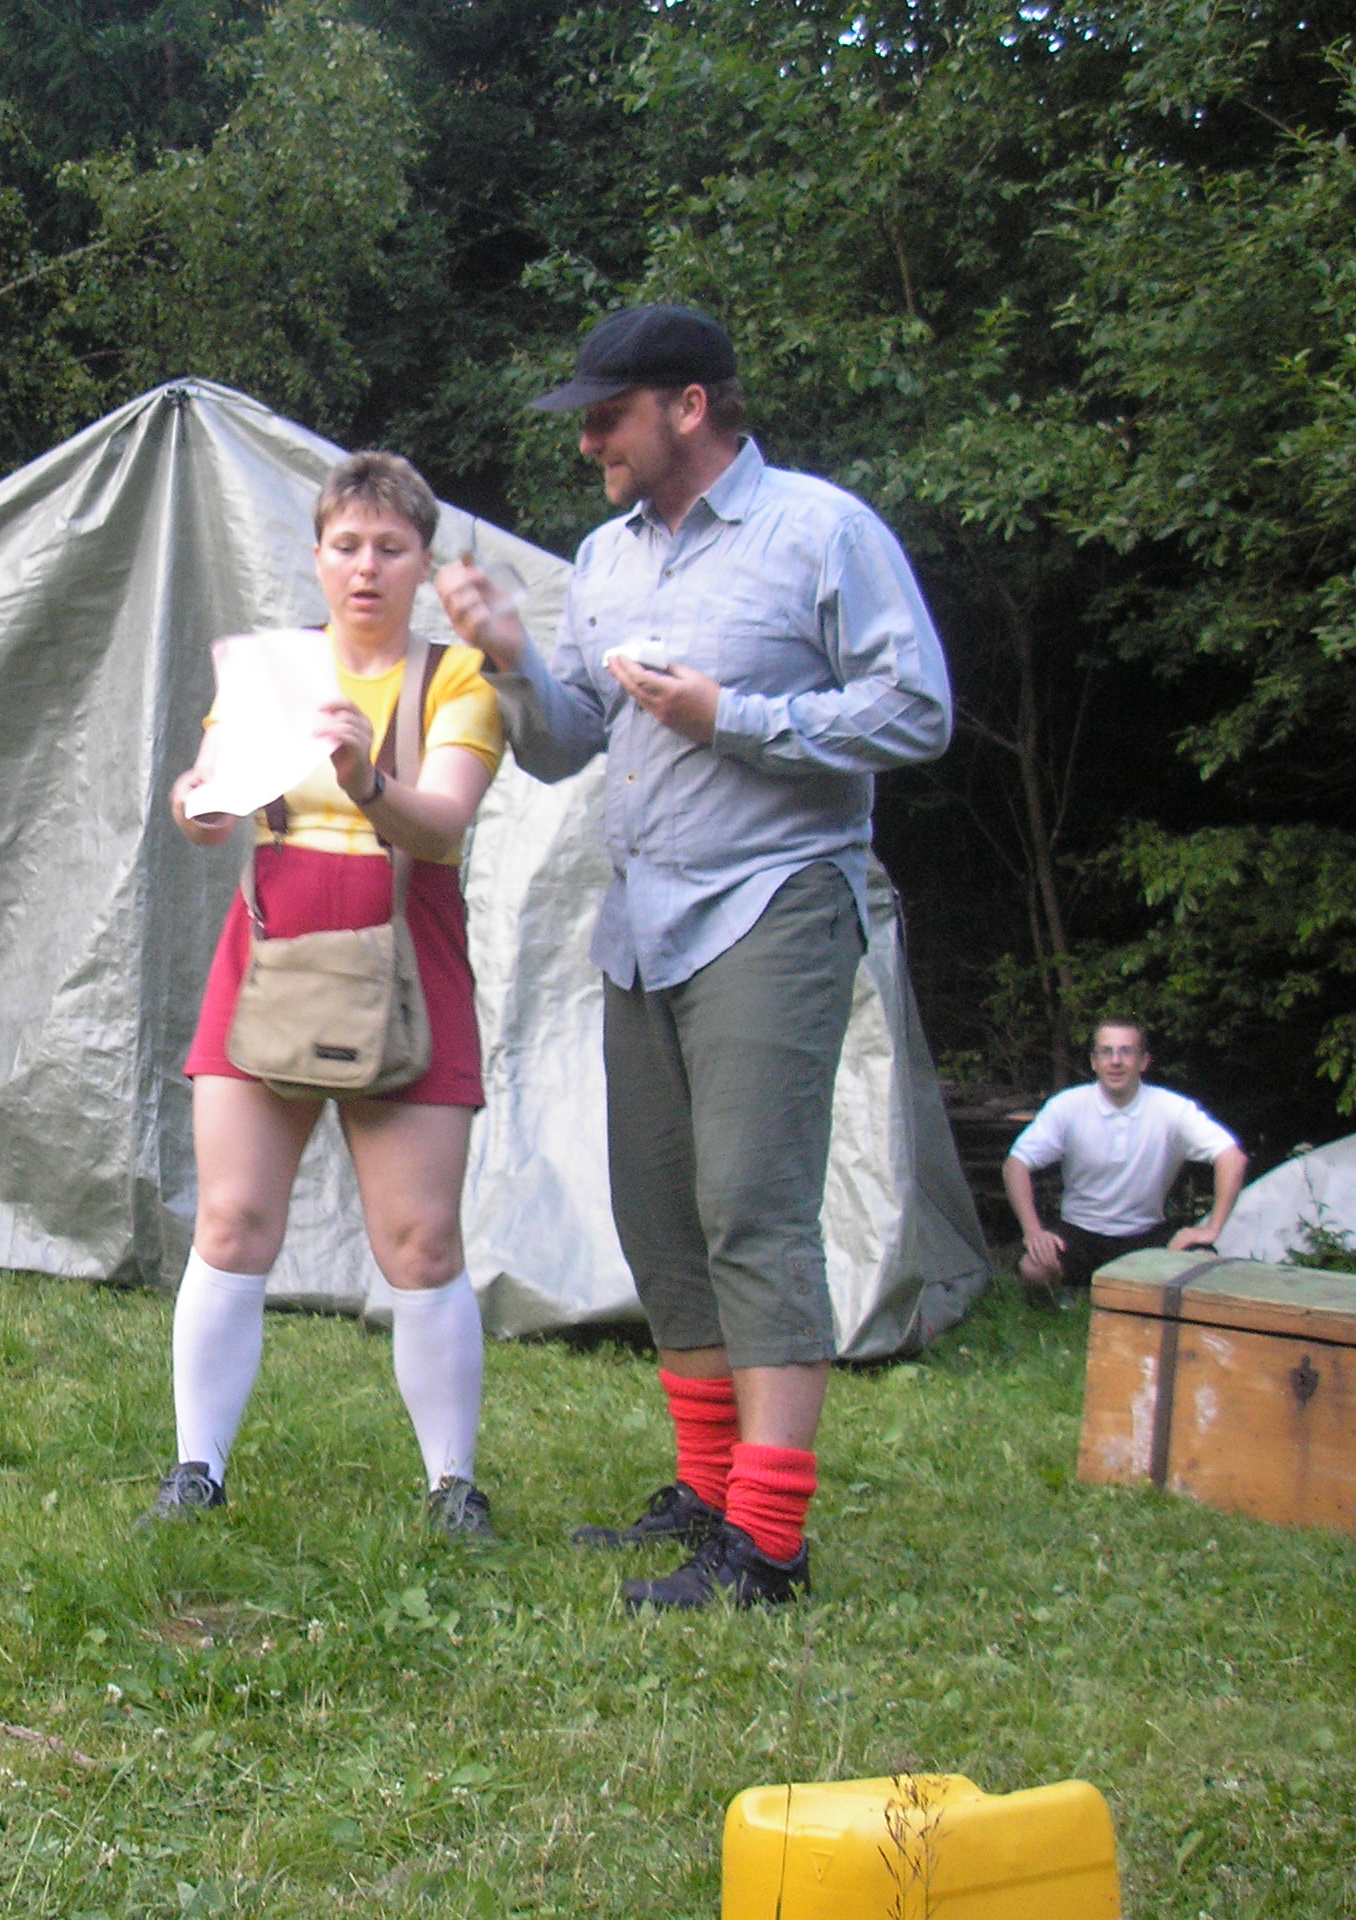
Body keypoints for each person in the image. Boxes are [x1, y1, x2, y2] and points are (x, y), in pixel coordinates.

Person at [434, 306, 952, 1608]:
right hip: (643, 919)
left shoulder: (821, 532)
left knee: (752, 1212)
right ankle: (709, 1493)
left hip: (774, 901)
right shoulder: (604, 558)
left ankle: (767, 1544)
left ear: (688, 406)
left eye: (607, 416)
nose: (588, 442)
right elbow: (567, 744)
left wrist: (735, 718)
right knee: (660, 1214)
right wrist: (507, 652)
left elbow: (916, 709)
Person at [148, 451, 506, 1537]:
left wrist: (365, 778)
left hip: (408, 953)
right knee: (231, 1219)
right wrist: (193, 802)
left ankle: (452, 1486)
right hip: (273, 945)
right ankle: (196, 1472)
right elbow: (207, 799)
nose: (365, 568)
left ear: (421, 563)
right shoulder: (271, 670)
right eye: (346, 546)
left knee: (420, 1241)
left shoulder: (458, 678)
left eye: (390, 548)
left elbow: (442, 823)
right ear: (315, 557)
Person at [1004, 1017, 1248, 1296]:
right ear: (1094, 1061)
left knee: (1204, 1262)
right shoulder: (1068, 1106)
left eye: (1126, 1051)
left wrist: (1212, 1228)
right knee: (1034, 1269)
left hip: (1146, 1234)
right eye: (1106, 1051)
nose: (1115, 1061)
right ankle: (1060, 1304)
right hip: (1078, 1232)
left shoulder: (1172, 1109)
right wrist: (1033, 1231)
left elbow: (1232, 1158)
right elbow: (1015, 1164)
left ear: (1144, 1061)